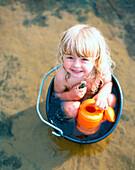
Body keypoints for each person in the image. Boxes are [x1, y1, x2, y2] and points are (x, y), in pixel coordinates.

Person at [54, 24, 116, 117]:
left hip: (94, 100)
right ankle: (76, 127)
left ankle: (100, 120)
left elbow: (108, 83)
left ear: (96, 60)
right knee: (71, 108)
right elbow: (57, 95)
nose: (76, 65)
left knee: (111, 99)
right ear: (63, 56)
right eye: (70, 57)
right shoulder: (62, 76)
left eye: (84, 59)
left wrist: (102, 95)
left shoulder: (100, 70)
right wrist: (70, 95)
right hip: (73, 102)